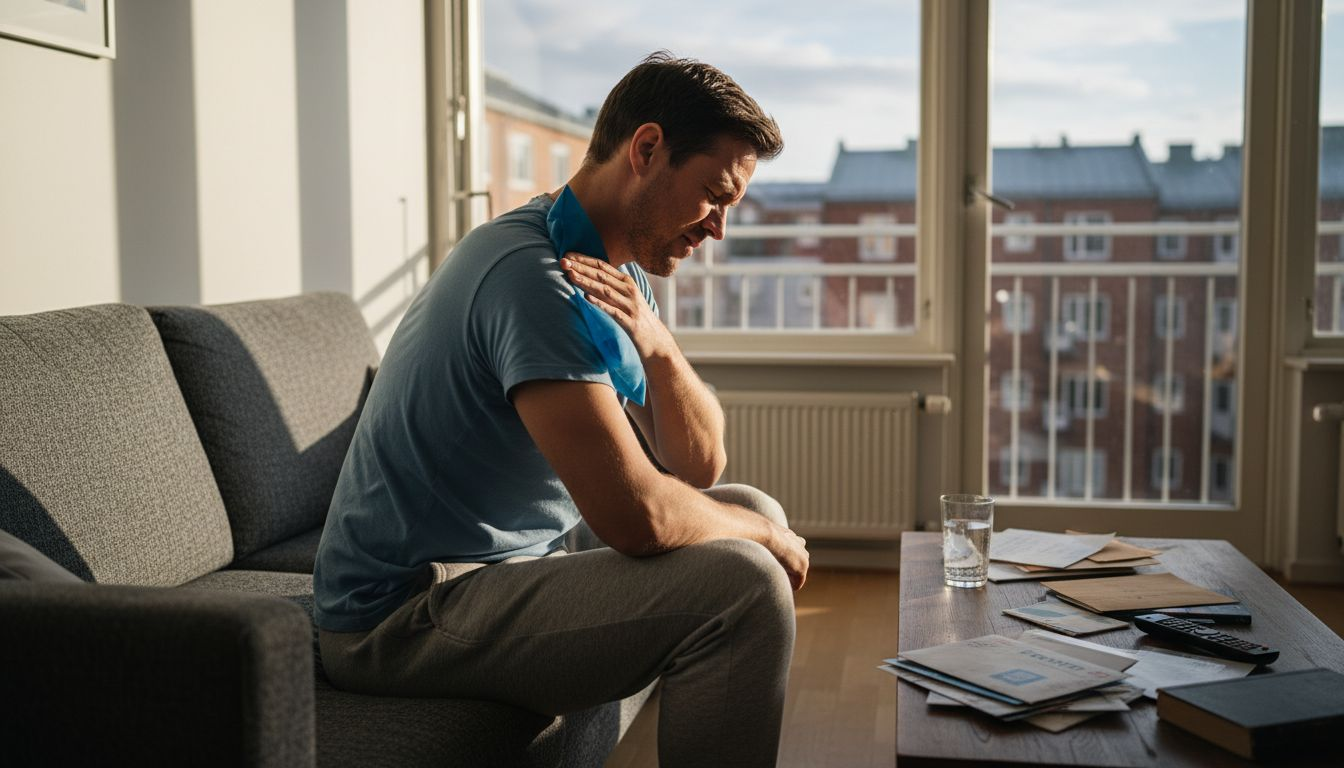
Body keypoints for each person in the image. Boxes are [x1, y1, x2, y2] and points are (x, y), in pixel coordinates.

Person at [313, 51, 809, 766]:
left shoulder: (607, 265)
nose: (718, 230)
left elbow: (697, 465)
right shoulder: (529, 276)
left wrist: (660, 346)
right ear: (646, 149)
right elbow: (637, 518)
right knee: (747, 581)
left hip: (503, 566)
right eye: (714, 194)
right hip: (403, 614)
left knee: (752, 506)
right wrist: (759, 537)